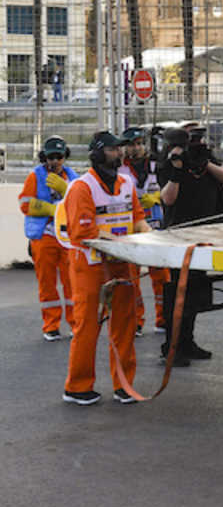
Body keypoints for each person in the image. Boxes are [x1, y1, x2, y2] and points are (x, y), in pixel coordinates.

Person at [55, 132, 151, 406]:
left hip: (122, 262)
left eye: (119, 148)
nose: (118, 153)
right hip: (92, 266)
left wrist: (150, 235)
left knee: (125, 325)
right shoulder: (81, 187)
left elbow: (138, 219)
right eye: (112, 149)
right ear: (97, 153)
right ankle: (77, 386)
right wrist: (122, 243)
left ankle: (124, 385)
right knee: (87, 326)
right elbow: (84, 232)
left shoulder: (126, 183)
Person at [159, 126, 223, 365]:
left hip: (203, 233)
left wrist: (206, 165)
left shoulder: (204, 158)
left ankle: (188, 342)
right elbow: (167, 198)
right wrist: (178, 170)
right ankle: (172, 348)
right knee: (178, 295)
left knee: (195, 295)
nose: (198, 143)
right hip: (179, 236)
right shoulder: (169, 163)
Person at [19, 136, 77, 341]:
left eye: (59, 157)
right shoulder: (35, 176)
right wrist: (51, 209)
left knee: (73, 283)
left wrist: (66, 190)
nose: (55, 161)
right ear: (44, 158)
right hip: (43, 237)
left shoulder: (73, 177)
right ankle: (51, 325)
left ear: (65, 157)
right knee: (47, 283)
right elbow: (24, 203)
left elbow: (82, 204)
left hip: (67, 238)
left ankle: (75, 323)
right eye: (51, 157)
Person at [120, 126, 169, 335]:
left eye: (140, 143)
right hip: (130, 228)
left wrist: (157, 198)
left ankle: (163, 319)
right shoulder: (119, 169)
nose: (137, 148)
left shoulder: (157, 165)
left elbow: (172, 187)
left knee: (162, 277)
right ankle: (136, 321)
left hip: (156, 227)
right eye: (132, 144)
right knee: (131, 278)